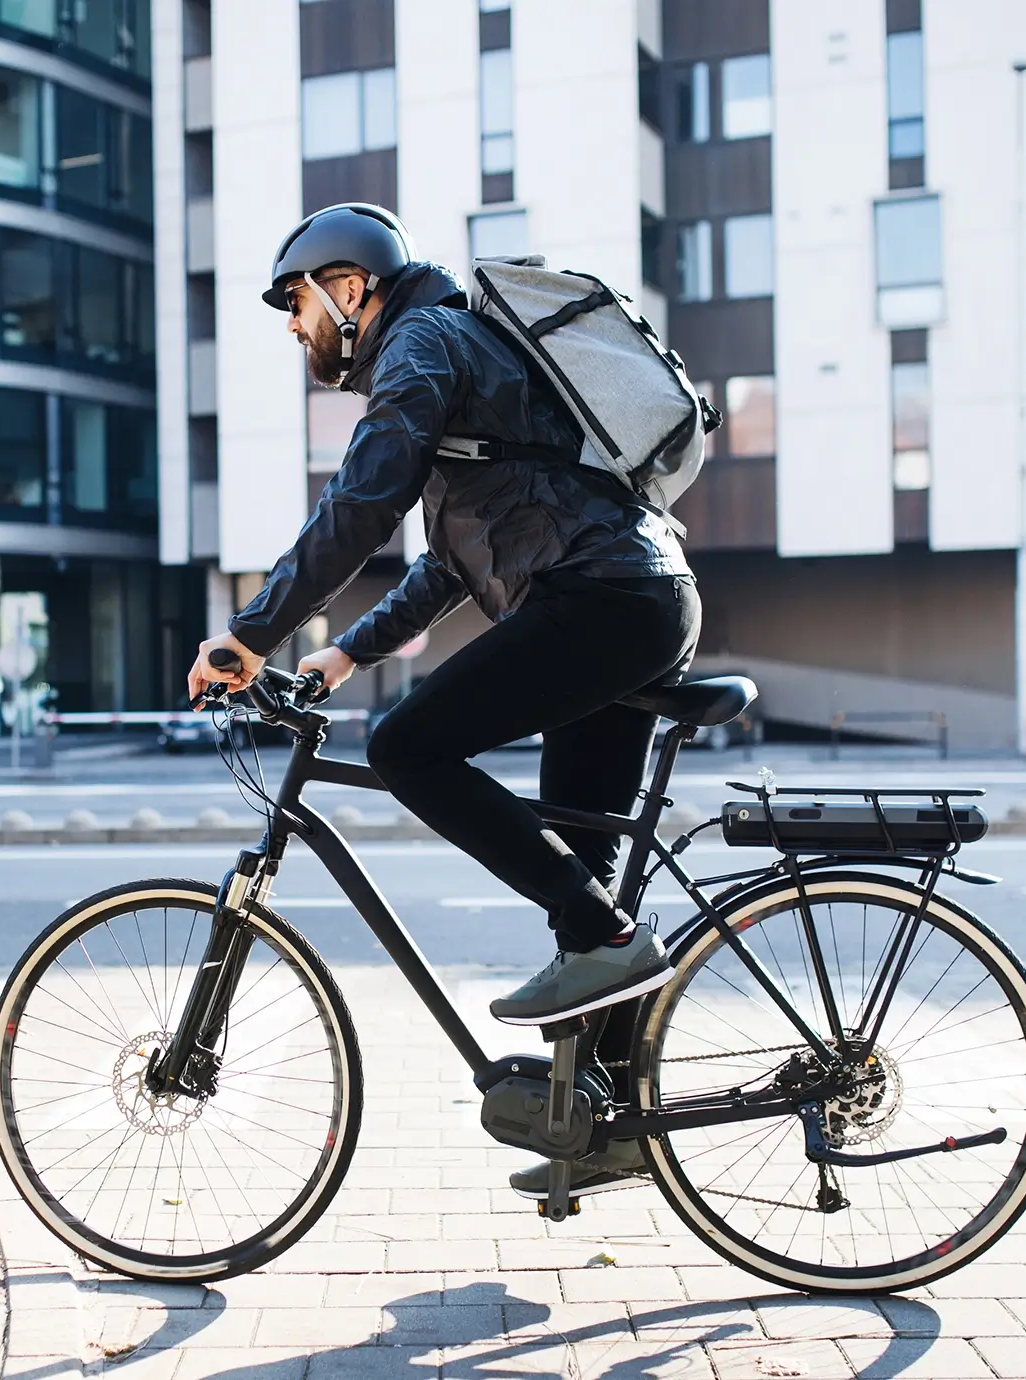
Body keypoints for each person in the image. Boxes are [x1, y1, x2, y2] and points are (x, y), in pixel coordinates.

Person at [185, 204, 701, 1195]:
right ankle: (609, 1126)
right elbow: (448, 563)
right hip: (633, 598)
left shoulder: (421, 343)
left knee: (408, 749)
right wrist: (337, 657)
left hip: (604, 600)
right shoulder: (458, 350)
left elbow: (362, 503)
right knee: (580, 877)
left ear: (349, 287)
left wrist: (250, 633)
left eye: (296, 303)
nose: (296, 327)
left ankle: (610, 944)